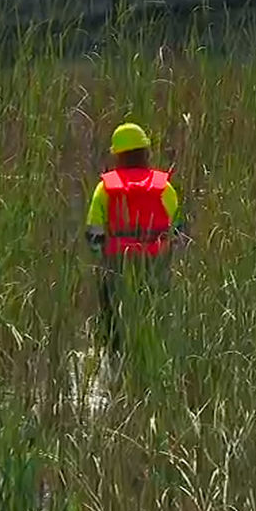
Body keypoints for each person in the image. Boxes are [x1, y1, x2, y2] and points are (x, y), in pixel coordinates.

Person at [85, 122, 187, 352]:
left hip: (118, 262)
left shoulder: (105, 188)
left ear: (118, 155)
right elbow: (179, 233)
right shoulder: (164, 187)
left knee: (111, 316)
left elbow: (94, 235)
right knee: (157, 317)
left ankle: (113, 354)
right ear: (146, 153)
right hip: (155, 263)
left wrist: (104, 258)